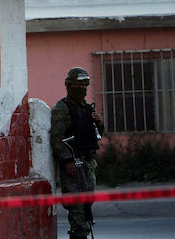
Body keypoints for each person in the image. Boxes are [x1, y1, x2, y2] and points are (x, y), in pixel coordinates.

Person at [50, 67, 105, 239]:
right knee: (77, 211)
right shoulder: (62, 108)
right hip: (74, 166)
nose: (81, 89)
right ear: (68, 85)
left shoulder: (87, 108)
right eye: (76, 85)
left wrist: (100, 123)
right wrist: (67, 161)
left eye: (84, 85)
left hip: (88, 165)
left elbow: (95, 135)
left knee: (86, 207)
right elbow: (57, 138)